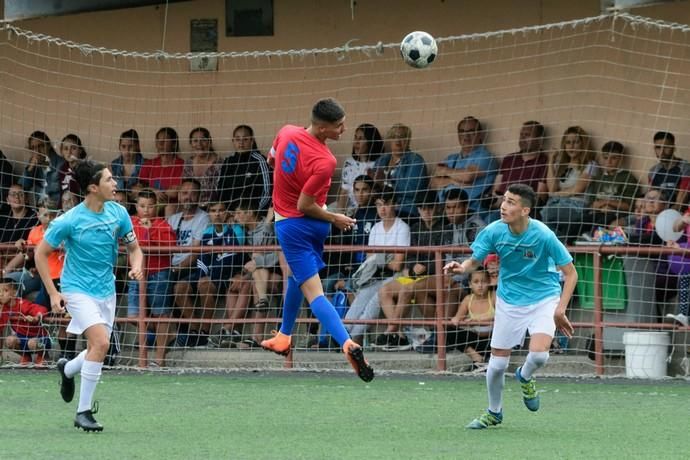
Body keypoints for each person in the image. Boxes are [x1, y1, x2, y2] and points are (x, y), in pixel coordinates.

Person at [444, 183, 576, 429]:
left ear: (525, 210)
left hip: (544, 298)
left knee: (538, 355)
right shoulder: (494, 231)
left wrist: (560, 309)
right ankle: (494, 412)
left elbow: (571, 273)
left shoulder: (544, 234)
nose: (504, 206)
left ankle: (525, 376)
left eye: (511, 202)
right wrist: (461, 268)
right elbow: (474, 260)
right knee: (497, 366)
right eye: (504, 200)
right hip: (509, 300)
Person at [260, 97, 374, 382]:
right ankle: (284, 336)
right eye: (339, 126)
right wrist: (334, 217)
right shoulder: (325, 161)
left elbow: (272, 160)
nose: (344, 129)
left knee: (315, 293)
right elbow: (307, 205)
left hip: (291, 226)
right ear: (323, 128)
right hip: (310, 224)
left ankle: (347, 343)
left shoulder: (285, 132)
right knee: (297, 278)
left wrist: (335, 217)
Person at [34, 160, 144, 432]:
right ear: (93, 188)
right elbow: (40, 254)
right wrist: (53, 292)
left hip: (107, 290)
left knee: (100, 347)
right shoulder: (69, 220)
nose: (115, 183)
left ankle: (68, 369)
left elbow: (134, 248)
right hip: (77, 290)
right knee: (101, 343)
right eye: (108, 180)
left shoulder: (119, 213)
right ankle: (83, 412)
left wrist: (137, 264)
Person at [127, 188, 176, 367]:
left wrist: (151, 231)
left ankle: (159, 359)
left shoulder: (163, 225)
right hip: (137, 272)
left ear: (157, 207)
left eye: (150, 206)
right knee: (133, 315)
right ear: (136, 206)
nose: (146, 210)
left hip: (159, 273)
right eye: (142, 206)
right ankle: (166, 335)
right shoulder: (130, 223)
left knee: (160, 314)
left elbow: (171, 247)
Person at [430, 116, 498, 214]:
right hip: (444, 211)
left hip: (471, 212)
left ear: (480, 134)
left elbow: (467, 176)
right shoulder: (451, 158)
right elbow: (433, 183)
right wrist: (454, 180)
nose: (466, 135)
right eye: (462, 131)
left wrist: (445, 172)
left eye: (471, 131)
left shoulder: (486, 156)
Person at [541, 126, 598, 243]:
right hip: (556, 204)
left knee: (547, 214)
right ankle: (559, 250)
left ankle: (555, 250)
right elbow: (551, 188)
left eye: (576, 142)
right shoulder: (561, 165)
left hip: (577, 206)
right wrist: (551, 161)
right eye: (568, 142)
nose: (571, 146)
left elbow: (577, 189)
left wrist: (555, 194)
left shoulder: (591, 165)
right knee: (546, 218)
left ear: (583, 144)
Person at [486, 121, 548, 222]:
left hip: (523, 212)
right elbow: (495, 188)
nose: (523, 138)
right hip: (501, 207)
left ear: (539, 139)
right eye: (521, 135)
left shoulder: (544, 161)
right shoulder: (509, 159)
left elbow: (541, 196)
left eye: (527, 135)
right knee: (486, 223)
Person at [371, 123, 428, 220]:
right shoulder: (381, 160)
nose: (397, 141)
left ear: (408, 140)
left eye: (402, 137)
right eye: (394, 137)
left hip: (405, 210)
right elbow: (375, 190)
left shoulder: (416, 160)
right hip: (382, 210)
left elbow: (413, 190)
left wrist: (384, 182)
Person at [582, 140, 640, 234]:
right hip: (597, 213)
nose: (609, 161)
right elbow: (592, 204)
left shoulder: (628, 178)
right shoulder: (598, 178)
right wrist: (601, 207)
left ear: (621, 159)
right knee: (578, 221)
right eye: (605, 158)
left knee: (604, 220)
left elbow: (629, 206)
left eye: (614, 158)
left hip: (616, 215)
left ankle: (592, 237)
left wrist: (606, 203)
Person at [445, 268, 495, 369]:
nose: (480, 285)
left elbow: (501, 317)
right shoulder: (468, 299)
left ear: (489, 282)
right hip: (475, 340)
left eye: (483, 281)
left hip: (493, 340)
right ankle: (477, 358)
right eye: (476, 282)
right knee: (448, 330)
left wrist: (478, 321)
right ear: (470, 284)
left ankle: (488, 361)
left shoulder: (494, 296)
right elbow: (456, 319)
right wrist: (461, 321)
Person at [216, 124, 273, 213]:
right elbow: (219, 189)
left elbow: (268, 191)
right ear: (233, 141)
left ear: (252, 141)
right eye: (237, 139)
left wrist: (254, 213)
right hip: (229, 215)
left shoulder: (260, 161)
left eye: (245, 139)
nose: (241, 143)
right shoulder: (228, 161)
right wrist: (226, 212)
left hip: (253, 215)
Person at [0, 277, 50, 366]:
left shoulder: (22, 304)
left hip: (39, 338)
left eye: (5, 291)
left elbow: (42, 309)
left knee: (32, 343)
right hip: (22, 338)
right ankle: (26, 356)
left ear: (14, 293)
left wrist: (36, 317)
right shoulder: (3, 308)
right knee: (9, 340)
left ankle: (43, 356)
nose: (1, 294)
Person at [336, 123, 384, 211]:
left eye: (361, 138)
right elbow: (344, 192)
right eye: (355, 137)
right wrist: (340, 214)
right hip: (351, 209)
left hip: (372, 210)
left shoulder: (380, 162)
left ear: (371, 141)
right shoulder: (349, 162)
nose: (356, 142)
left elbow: (382, 192)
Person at [19, 131, 65, 206]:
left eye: (40, 146)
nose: (37, 151)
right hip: (39, 210)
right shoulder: (34, 165)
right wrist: (30, 167)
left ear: (48, 146)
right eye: (33, 148)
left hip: (56, 209)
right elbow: (21, 188)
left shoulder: (61, 164)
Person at [182, 127, 222, 209]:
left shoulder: (220, 163)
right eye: (195, 141)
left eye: (203, 140)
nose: (199, 144)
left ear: (210, 142)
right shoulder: (188, 163)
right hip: (190, 206)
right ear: (191, 144)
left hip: (211, 208)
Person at [649, 131, 690, 209]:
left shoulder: (686, 168)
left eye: (666, 147)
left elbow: (679, 204)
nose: (662, 152)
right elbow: (651, 198)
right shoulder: (653, 171)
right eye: (658, 147)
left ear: (673, 148)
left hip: (678, 214)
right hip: (656, 212)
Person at [110, 129, 145, 200]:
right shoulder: (114, 165)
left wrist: (142, 189)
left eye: (130, 146)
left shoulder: (145, 164)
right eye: (123, 146)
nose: (127, 151)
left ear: (137, 146)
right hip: (119, 202)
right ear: (119, 147)